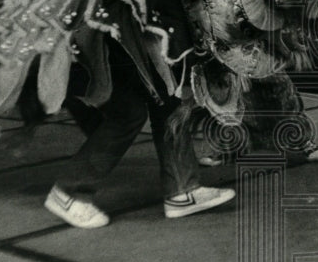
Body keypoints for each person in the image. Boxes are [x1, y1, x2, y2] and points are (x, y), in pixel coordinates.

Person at [44, 38, 235, 228]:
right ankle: (68, 192)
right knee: (129, 112)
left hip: (121, 38)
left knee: (165, 96)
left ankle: (182, 189)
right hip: (86, 43)